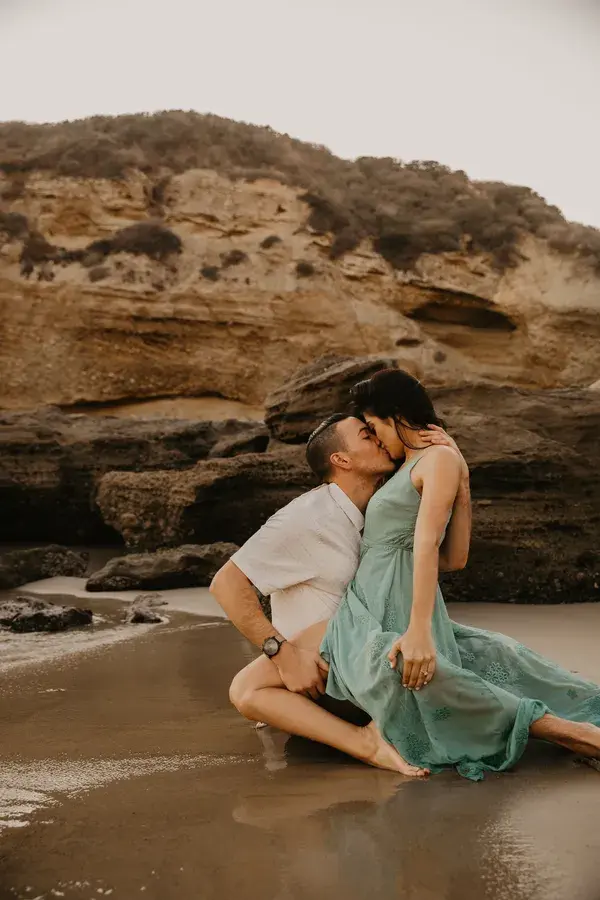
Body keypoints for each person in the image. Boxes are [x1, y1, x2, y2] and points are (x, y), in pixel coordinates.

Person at [319, 368, 600, 780]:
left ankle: (576, 733)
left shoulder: (439, 459)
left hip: (404, 606)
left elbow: (445, 554)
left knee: (487, 658)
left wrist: (418, 631)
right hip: (365, 609)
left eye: (375, 426)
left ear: (396, 414)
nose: (376, 438)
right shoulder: (406, 465)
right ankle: (572, 732)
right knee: (471, 661)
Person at [210, 411, 471, 776]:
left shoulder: (383, 507)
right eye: (367, 435)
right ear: (341, 460)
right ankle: (363, 742)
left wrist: (460, 472)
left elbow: (451, 560)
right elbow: (226, 583)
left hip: (377, 661)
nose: (381, 439)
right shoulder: (308, 517)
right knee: (247, 690)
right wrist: (281, 655)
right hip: (323, 676)